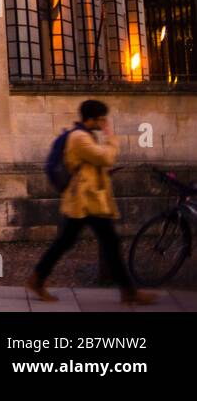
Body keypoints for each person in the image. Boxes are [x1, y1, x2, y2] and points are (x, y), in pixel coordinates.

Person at [26, 100, 155, 305]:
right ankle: (128, 291)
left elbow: (93, 164)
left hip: (88, 200)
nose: (104, 122)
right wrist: (111, 137)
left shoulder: (85, 135)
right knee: (100, 243)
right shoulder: (79, 138)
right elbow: (106, 158)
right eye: (101, 118)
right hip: (85, 203)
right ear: (92, 119)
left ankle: (38, 279)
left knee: (75, 242)